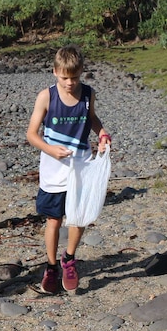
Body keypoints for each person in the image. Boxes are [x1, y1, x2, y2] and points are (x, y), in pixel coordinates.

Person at [25, 45, 111, 294]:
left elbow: (92, 118)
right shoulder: (46, 97)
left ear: (81, 72)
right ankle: (51, 266)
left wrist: (101, 132)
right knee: (54, 219)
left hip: (80, 166)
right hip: (53, 171)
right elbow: (31, 134)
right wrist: (50, 150)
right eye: (64, 77)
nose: (69, 83)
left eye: (74, 77)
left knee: (79, 216)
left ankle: (69, 258)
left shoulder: (87, 94)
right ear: (55, 72)